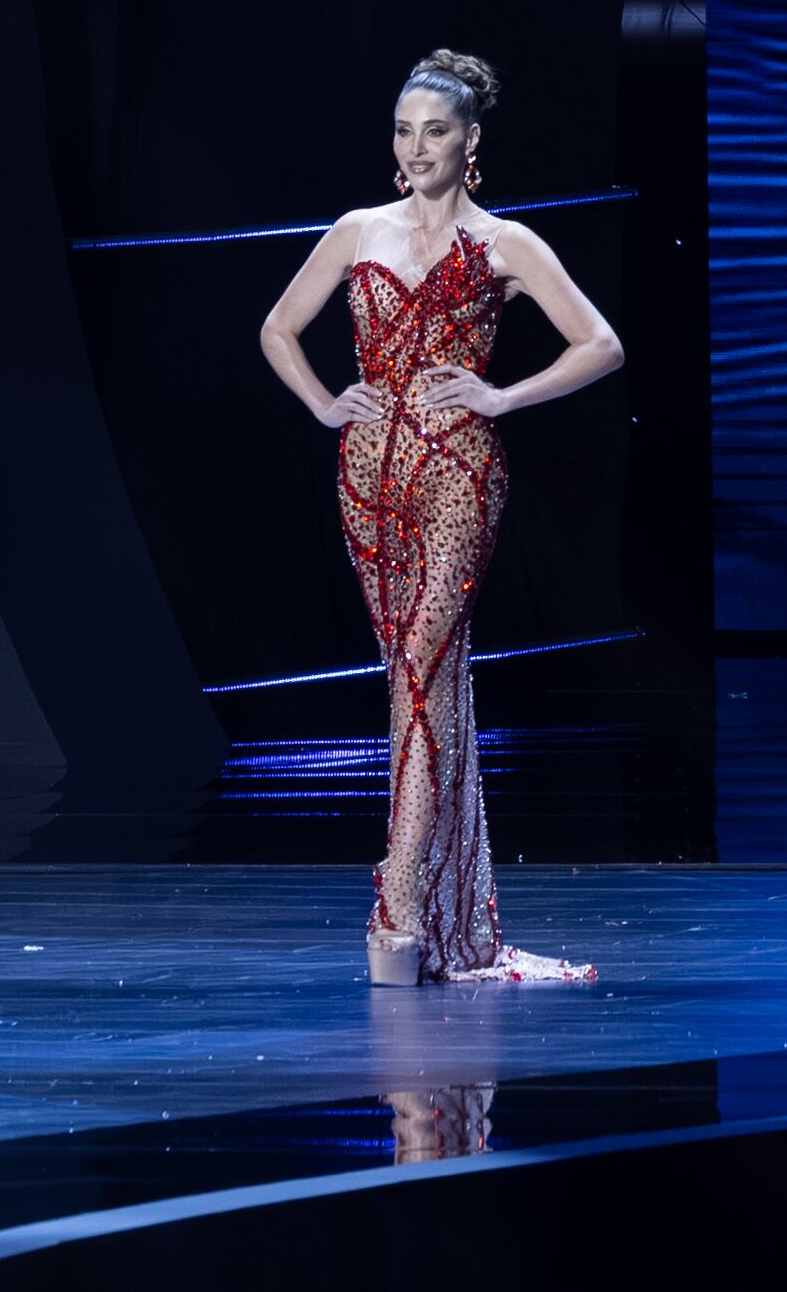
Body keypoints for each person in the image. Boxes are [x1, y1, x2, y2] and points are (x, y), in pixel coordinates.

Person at [258, 50, 621, 983]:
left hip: (459, 472)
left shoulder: (507, 244)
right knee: (417, 686)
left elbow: (601, 343)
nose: (415, 146)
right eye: (402, 129)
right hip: (367, 475)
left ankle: (399, 913)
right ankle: (450, 923)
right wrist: (322, 402)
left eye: (434, 130)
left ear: (470, 142)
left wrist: (502, 398)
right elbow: (276, 327)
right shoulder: (356, 230)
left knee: (420, 681)